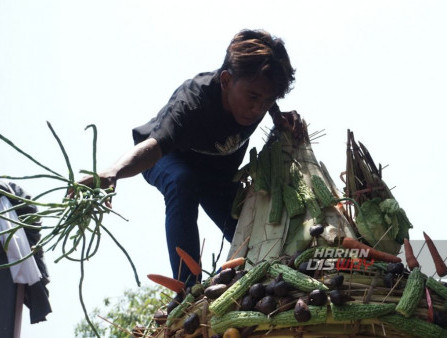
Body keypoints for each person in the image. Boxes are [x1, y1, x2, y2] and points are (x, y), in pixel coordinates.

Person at [82, 29, 299, 285]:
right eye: (253, 98)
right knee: (183, 182)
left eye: (267, 101)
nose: (257, 108)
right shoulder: (193, 102)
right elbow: (155, 145)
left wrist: (276, 115)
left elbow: (265, 95)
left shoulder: (260, 96)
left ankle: (271, 276)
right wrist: (113, 172)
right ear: (227, 81)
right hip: (167, 159)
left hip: (216, 175)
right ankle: (188, 289)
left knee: (251, 229)